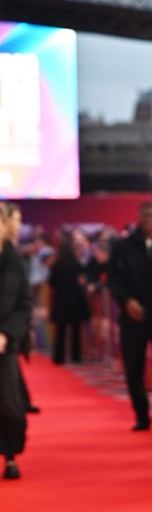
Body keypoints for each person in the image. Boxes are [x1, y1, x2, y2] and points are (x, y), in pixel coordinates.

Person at [108, 203, 152, 431]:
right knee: (134, 367)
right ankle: (141, 415)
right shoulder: (122, 246)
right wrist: (126, 301)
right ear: (139, 217)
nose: (149, 219)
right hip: (133, 317)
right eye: (146, 215)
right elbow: (113, 279)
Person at [0, 203, 32, 480]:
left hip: (4, 345)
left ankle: (10, 455)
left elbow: (24, 304)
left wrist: (6, 334)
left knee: (10, 407)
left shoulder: (15, 261)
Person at [48, 230, 91, 365]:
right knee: (76, 330)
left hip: (61, 300)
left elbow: (52, 282)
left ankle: (58, 357)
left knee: (60, 330)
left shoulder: (57, 264)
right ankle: (76, 356)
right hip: (75, 300)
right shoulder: (76, 264)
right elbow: (82, 279)